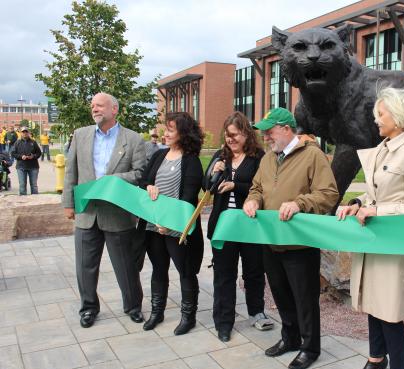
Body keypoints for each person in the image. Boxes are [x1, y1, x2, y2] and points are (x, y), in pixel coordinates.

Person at [338, 88, 404, 369]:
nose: (376, 120)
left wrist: (377, 211)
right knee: (372, 304)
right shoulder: (383, 148)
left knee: (390, 311)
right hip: (372, 241)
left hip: (393, 246)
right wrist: (357, 204)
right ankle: (376, 359)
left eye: (381, 114)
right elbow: (373, 192)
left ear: (399, 115)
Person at [243, 107, 339, 369]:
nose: (265, 137)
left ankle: (310, 348)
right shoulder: (267, 159)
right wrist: (253, 200)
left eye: (269, 132)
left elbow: (328, 194)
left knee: (304, 299)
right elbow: (257, 187)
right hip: (271, 240)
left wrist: (300, 203)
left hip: (300, 244)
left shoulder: (313, 156)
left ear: (286, 129)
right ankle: (290, 338)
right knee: (280, 294)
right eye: (263, 133)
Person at [62, 92, 145, 328]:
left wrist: (114, 179)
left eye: (99, 105)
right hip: (87, 212)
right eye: (92, 106)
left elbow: (140, 173)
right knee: (85, 265)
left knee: (126, 265)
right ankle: (88, 308)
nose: (94, 109)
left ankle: (133, 306)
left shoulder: (133, 139)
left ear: (114, 109)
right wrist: (68, 203)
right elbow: (71, 172)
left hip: (117, 213)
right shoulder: (81, 135)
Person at [206, 111, 270, 342]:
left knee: (253, 272)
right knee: (224, 274)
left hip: (251, 225)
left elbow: (262, 188)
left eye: (234, 135)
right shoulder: (219, 156)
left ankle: (256, 312)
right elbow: (207, 188)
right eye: (227, 135)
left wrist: (236, 185)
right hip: (224, 225)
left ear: (245, 134)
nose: (230, 139)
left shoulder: (259, 157)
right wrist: (214, 173)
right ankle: (224, 322)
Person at [140, 112, 205, 336]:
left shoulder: (191, 161)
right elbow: (144, 180)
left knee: (185, 271)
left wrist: (169, 224)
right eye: (165, 129)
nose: (164, 133)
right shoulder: (159, 156)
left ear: (183, 134)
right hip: (153, 227)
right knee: (158, 270)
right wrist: (148, 186)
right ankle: (157, 312)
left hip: (178, 230)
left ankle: (189, 317)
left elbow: (188, 200)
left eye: (170, 130)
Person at [11, 128, 41, 195]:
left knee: (34, 185)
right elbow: (13, 153)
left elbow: (39, 153)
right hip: (21, 167)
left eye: (26, 132)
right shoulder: (17, 142)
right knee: (22, 185)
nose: (25, 133)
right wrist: (21, 157)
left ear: (28, 133)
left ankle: (36, 202)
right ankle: (23, 203)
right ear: (21, 133)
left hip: (33, 166)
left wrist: (33, 156)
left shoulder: (33, 142)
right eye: (23, 132)